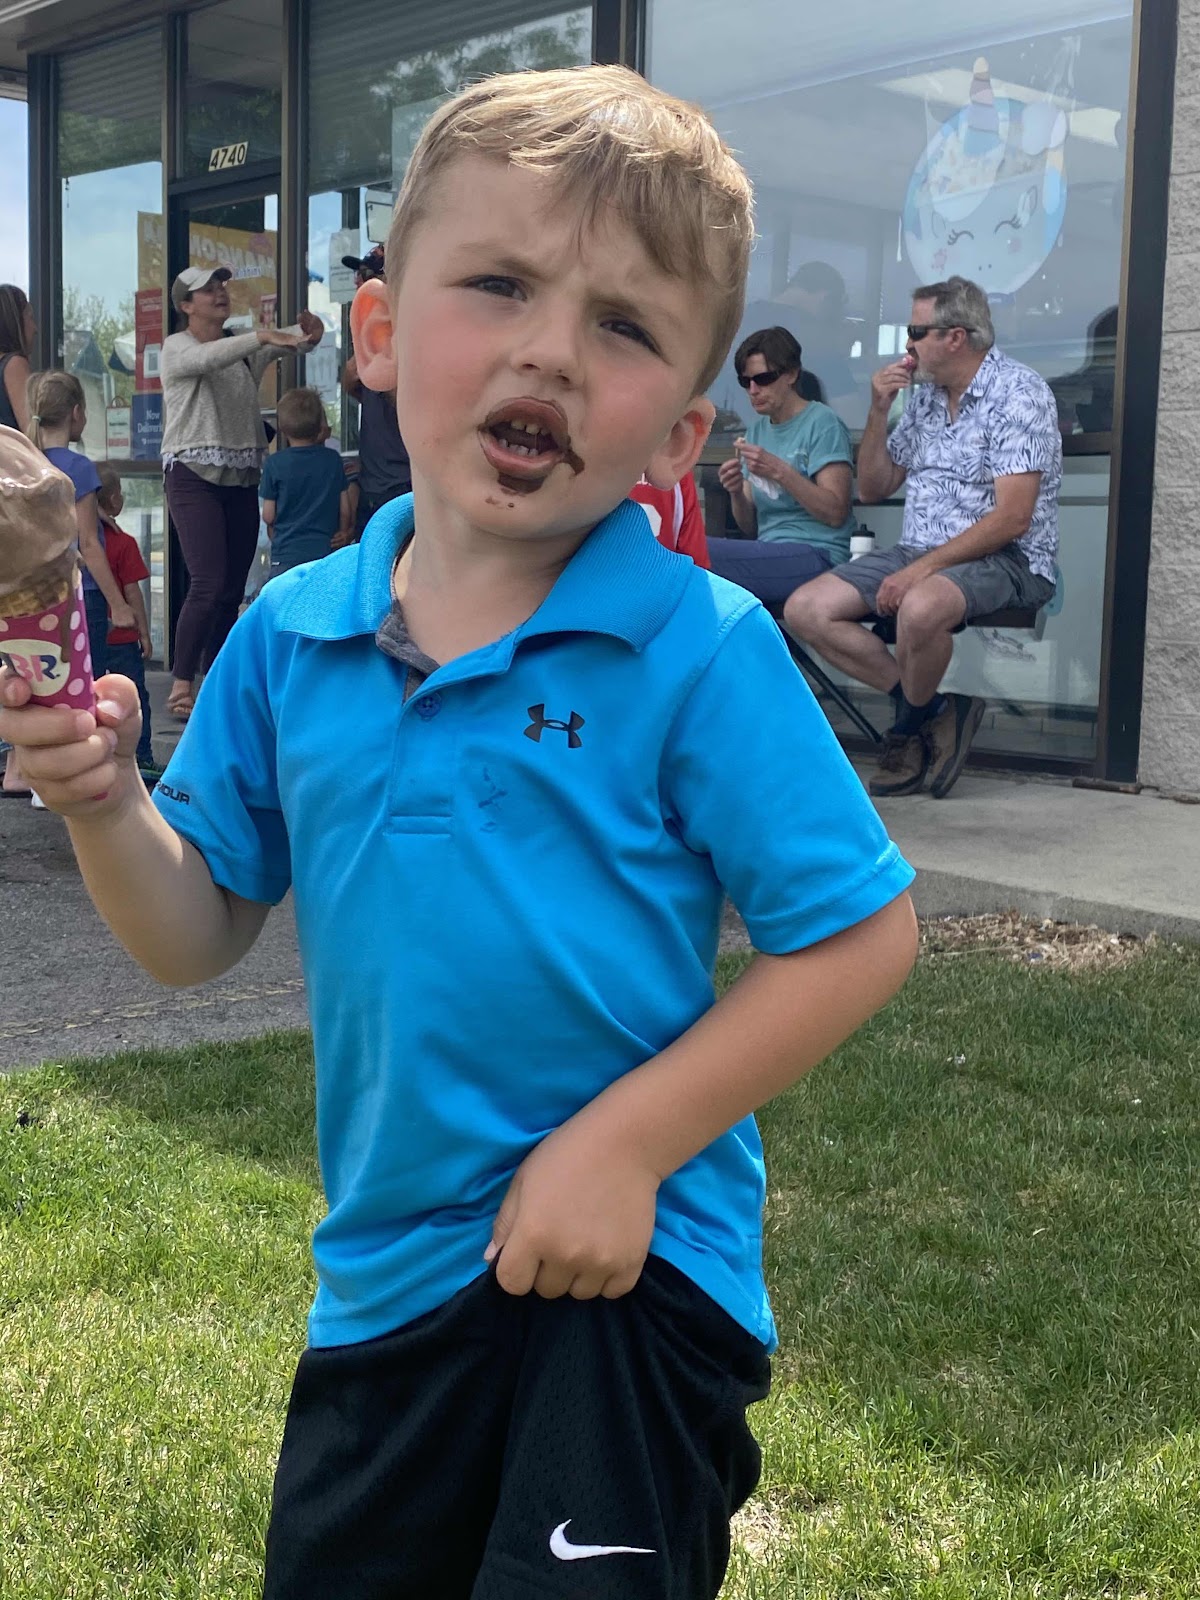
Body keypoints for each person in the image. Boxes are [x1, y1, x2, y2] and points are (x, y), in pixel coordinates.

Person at [0, 65, 918, 1600]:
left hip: (633, 1277)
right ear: (376, 335)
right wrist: (106, 804)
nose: (551, 347)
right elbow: (192, 934)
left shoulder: (696, 649)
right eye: (499, 285)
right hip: (386, 1287)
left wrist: (622, 1146)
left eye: (622, 326)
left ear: (680, 433)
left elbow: (860, 936)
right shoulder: (291, 637)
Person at [786, 275, 1061, 800]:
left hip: (1006, 558)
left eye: (915, 331)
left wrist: (918, 572)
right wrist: (877, 408)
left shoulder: (1019, 394)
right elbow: (873, 487)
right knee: (806, 610)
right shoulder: (926, 400)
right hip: (918, 549)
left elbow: (1013, 519)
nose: (906, 344)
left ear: (955, 337)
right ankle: (933, 711)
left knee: (919, 606)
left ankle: (906, 732)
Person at [159, 264, 323, 720]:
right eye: (206, 290)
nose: (219, 294)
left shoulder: (243, 347)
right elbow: (205, 360)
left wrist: (311, 335)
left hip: (242, 473)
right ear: (185, 305)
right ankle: (182, 682)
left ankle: (217, 681)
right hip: (191, 472)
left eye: (222, 287)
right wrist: (264, 336)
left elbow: (293, 340)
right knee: (208, 581)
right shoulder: (176, 347)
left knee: (232, 589)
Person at [707, 327, 857, 607]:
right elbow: (749, 526)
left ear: (791, 374)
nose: (753, 390)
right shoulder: (756, 431)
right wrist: (736, 491)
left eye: (763, 379)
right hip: (770, 553)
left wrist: (779, 470)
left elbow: (835, 513)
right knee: (692, 553)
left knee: (697, 551)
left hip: (819, 554)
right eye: (745, 382)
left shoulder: (822, 422)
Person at [26, 370, 135, 678]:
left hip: (36, 592)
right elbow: (88, 544)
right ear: (76, 413)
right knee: (88, 681)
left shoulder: (27, 463)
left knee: (44, 682)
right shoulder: (80, 468)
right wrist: (119, 605)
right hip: (80, 594)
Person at [340, 245, 414, 538]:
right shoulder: (373, 330)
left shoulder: (410, 336)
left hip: (402, 486)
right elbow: (358, 385)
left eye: (367, 273)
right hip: (373, 485)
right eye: (359, 274)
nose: (359, 280)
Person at [96, 463, 157, 776]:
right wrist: (144, 633)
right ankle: (141, 757)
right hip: (122, 638)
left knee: (93, 697)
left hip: (90, 636)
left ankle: (97, 755)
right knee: (134, 698)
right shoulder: (124, 543)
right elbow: (133, 593)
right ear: (114, 500)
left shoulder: (78, 543)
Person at [259, 387, 352, 579]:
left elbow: (268, 515)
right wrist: (343, 531)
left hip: (286, 554)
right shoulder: (333, 460)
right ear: (319, 427)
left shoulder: (274, 464)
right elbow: (345, 510)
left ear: (282, 428)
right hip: (325, 552)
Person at [629, 470, 709, 566]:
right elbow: (696, 560)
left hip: (618, 569)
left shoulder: (677, 470)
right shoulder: (676, 467)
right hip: (661, 570)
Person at [0, 284, 36, 433]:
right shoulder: (14, 365)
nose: (35, 328)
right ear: (15, 322)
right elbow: (31, 430)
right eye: (30, 318)